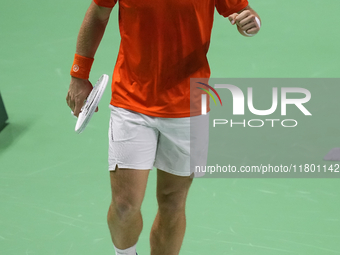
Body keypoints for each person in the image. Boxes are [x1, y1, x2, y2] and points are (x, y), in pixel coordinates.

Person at [66, 0, 261, 254]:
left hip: (188, 105)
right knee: (125, 206)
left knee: (172, 203)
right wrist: (79, 74)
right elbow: (99, 12)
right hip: (131, 101)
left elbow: (244, 13)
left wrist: (251, 23)